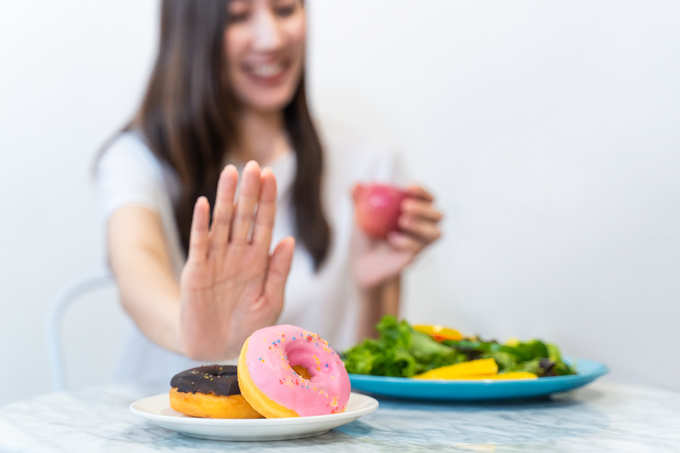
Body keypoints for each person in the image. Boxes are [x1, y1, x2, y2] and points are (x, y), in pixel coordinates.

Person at [95, 0, 443, 385]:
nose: (272, 38)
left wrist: (372, 288)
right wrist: (196, 333)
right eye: (237, 16)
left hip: (310, 436)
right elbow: (137, 268)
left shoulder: (367, 164)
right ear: (190, 33)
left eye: (284, 9)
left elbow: (372, 379)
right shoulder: (139, 157)